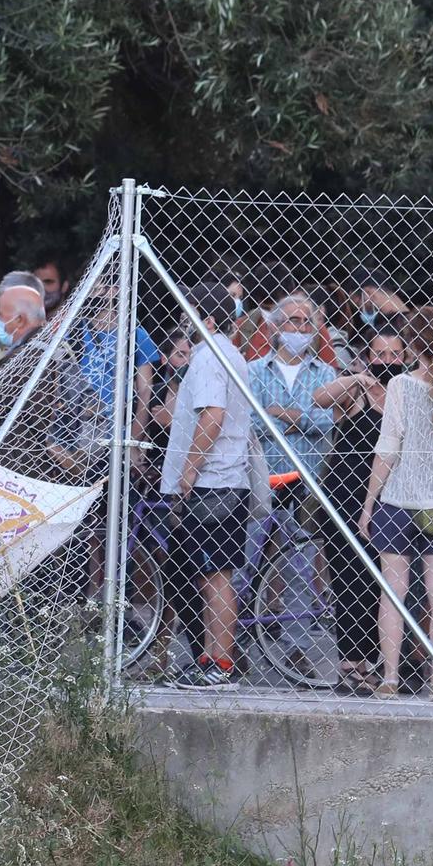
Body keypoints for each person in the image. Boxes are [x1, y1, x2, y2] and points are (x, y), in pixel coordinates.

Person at [358, 305, 433, 700]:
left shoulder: (401, 387)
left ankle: (390, 678)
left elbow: (387, 448)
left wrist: (369, 501)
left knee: (393, 591)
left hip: (397, 502)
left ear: (411, 343)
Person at [157, 283, 254, 687]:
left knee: (216, 575)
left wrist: (189, 471)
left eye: (190, 312)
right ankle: (210, 658)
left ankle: (221, 663)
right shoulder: (224, 354)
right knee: (208, 573)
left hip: (215, 482)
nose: (184, 320)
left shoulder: (210, 357)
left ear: (208, 319)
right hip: (222, 479)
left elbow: (212, 415)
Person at [314, 325, 404, 695]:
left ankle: (380, 662)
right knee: (349, 579)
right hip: (346, 496)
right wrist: (359, 378)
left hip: (391, 497)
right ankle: (351, 664)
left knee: (380, 584)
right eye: (379, 355)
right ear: (367, 357)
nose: (386, 362)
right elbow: (319, 398)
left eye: (393, 355)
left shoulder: (406, 392)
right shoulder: (356, 390)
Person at [247, 293, 337, 485]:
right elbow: (250, 422)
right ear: (276, 326)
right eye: (294, 321)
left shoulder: (324, 373)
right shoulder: (254, 371)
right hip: (264, 480)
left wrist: (279, 413)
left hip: (310, 481)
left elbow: (327, 420)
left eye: (307, 322)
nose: (302, 328)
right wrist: (301, 423)